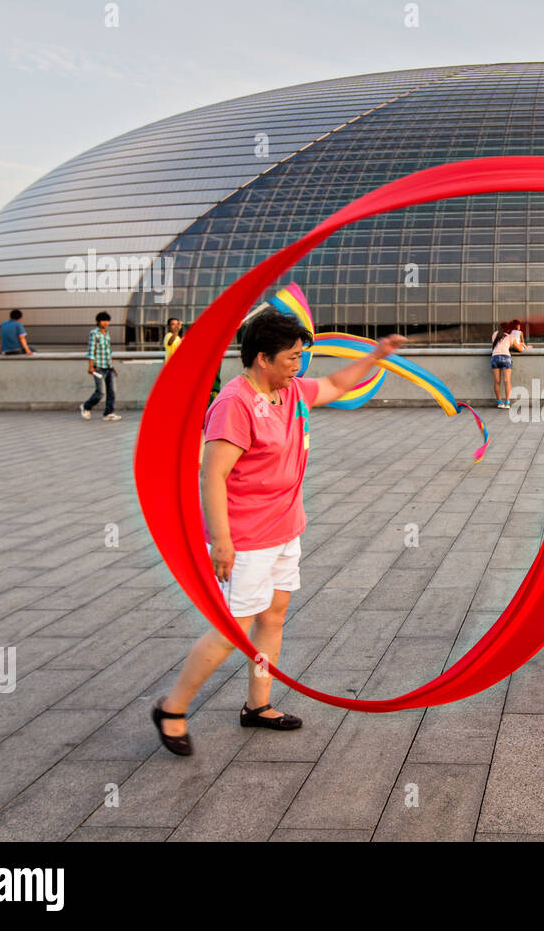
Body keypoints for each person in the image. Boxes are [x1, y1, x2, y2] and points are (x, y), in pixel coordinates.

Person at [151, 308, 405, 755]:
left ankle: (258, 705)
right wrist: (222, 542)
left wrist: (377, 355)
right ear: (262, 358)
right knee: (232, 629)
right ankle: (172, 708)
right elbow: (212, 476)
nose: (298, 365)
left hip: (285, 529)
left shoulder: (290, 393)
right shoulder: (234, 404)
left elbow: (336, 385)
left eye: (301, 356)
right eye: (291, 357)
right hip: (246, 537)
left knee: (274, 617)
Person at [80, 311, 120, 421]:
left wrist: (112, 365)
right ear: (98, 322)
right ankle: (86, 406)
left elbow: (109, 351)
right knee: (100, 392)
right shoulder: (94, 333)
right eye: (103, 321)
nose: (106, 323)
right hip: (98, 367)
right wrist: (90, 366)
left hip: (109, 367)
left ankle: (109, 413)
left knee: (112, 391)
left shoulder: (107, 334)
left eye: (107, 321)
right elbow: (91, 350)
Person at [490, 319, 531, 409]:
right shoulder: (510, 337)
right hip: (505, 357)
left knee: (497, 382)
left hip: (495, 358)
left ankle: (500, 403)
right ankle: (507, 402)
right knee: (507, 381)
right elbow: (520, 349)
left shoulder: (494, 335)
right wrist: (525, 347)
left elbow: (495, 344)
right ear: (508, 330)